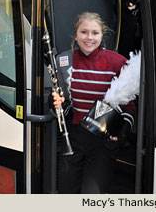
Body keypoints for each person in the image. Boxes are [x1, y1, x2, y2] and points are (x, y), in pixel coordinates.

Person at [51, 12, 135, 193]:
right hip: (73, 137)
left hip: (102, 143)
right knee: (66, 192)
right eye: (84, 32)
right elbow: (63, 99)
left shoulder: (118, 62)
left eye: (95, 33)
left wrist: (120, 133)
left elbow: (129, 106)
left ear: (102, 35)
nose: (89, 38)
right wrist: (58, 102)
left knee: (92, 196)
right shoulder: (64, 61)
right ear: (75, 35)